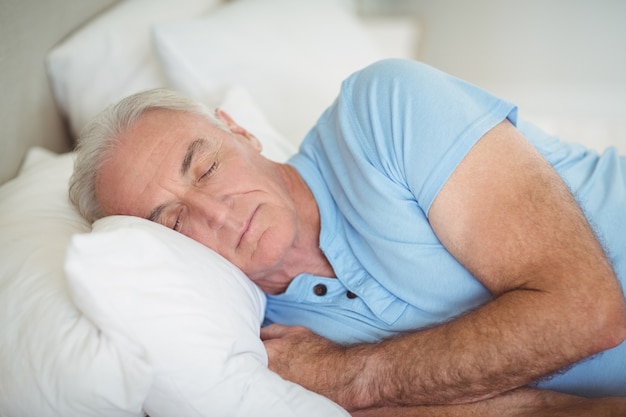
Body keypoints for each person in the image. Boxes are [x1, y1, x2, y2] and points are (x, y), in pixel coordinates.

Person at [69, 59, 626, 416]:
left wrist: (355, 374)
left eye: (206, 167)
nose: (216, 212)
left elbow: (588, 312)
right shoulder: (265, 351)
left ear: (239, 130)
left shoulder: (380, 110)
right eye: (172, 221)